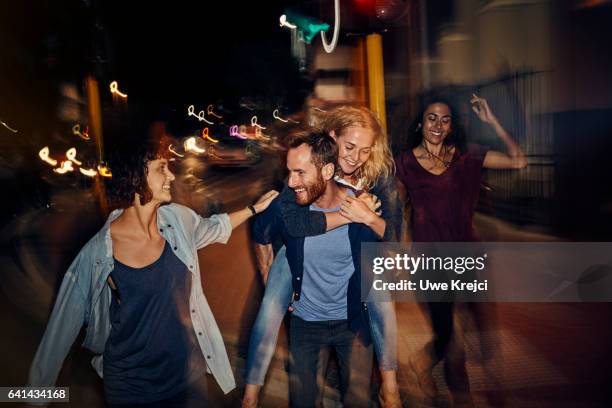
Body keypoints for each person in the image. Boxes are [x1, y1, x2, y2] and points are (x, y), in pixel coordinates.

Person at [28, 131, 278, 407]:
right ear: (136, 177)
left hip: (188, 379)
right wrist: (34, 396)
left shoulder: (177, 220)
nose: (171, 176)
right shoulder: (100, 252)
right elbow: (61, 326)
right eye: (161, 169)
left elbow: (213, 227)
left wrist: (254, 210)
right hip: (133, 389)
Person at [243, 106, 402, 407]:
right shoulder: (301, 178)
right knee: (272, 304)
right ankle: (251, 390)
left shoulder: (375, 183)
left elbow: (392, 241)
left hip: (352, 294)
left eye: (365, 151)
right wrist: (267, 271)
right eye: (349, 146)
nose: (355, 157)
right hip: (298, 261)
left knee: (378, 283)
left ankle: (389, 385)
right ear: (332, 138)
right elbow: (276, 226)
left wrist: (367, 216)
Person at [394, 93, 527, 406]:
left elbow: (519, 160)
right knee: (452, 340)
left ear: (452, 126)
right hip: (429, 263)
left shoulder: (468, 157)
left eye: (445, 119)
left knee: (478, 330)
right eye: (431, 118)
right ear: (420, 123)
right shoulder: (405, 164)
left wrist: (492, 121)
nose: (438, 125)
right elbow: (398, 212)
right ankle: (461, 398)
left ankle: (437, 367)